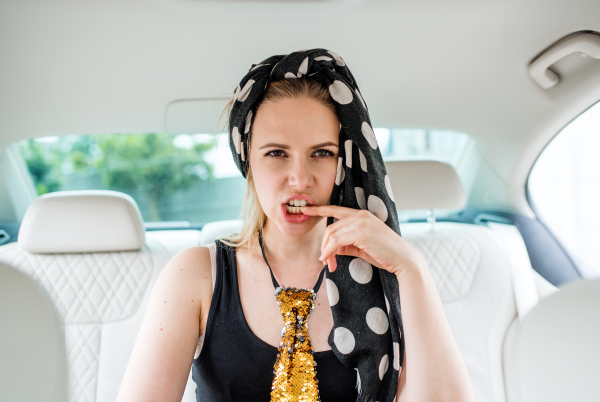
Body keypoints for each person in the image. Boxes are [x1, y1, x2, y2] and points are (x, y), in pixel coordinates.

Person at [116, 49, 475, 402]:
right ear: (248, 161)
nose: (300, 179)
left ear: (341, 164)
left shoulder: (385, 274)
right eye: (276, 153)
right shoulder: (197, 276)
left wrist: (412, 269)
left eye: (321, 153)